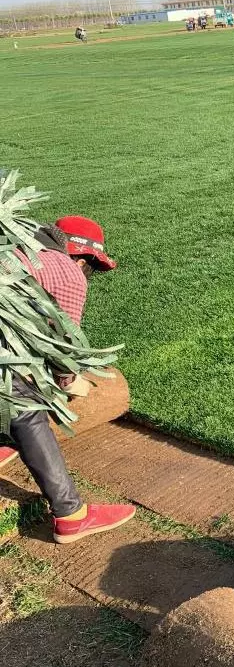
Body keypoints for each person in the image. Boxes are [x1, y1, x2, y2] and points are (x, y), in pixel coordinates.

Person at [0, 216, 135, 543]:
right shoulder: (67, 271)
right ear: (82, 256)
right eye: (92, 265)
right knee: (27, 409)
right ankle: (71, 514)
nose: (89, 272)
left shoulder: (18, 251)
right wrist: (74, 383)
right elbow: (61, 350)